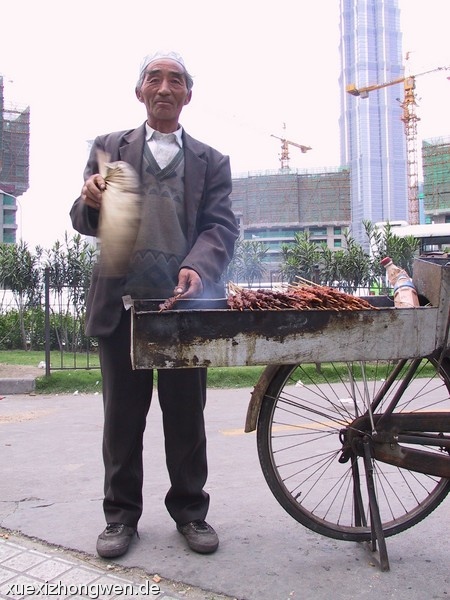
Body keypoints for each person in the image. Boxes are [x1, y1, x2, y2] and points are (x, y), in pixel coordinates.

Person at [70, 50, 239, 559]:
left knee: (186, 416)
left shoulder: (211, 161)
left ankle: (191, 512)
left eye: (176, 81)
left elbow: (221, 226)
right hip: (123, 305)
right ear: (139, 91)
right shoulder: (109, 147)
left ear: (189, 94)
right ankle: (120, 518)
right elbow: (82, 218)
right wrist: (91, 199)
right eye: (154, 79)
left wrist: (199, 267)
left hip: (182, 310)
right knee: (122, 418)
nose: (165, 88)